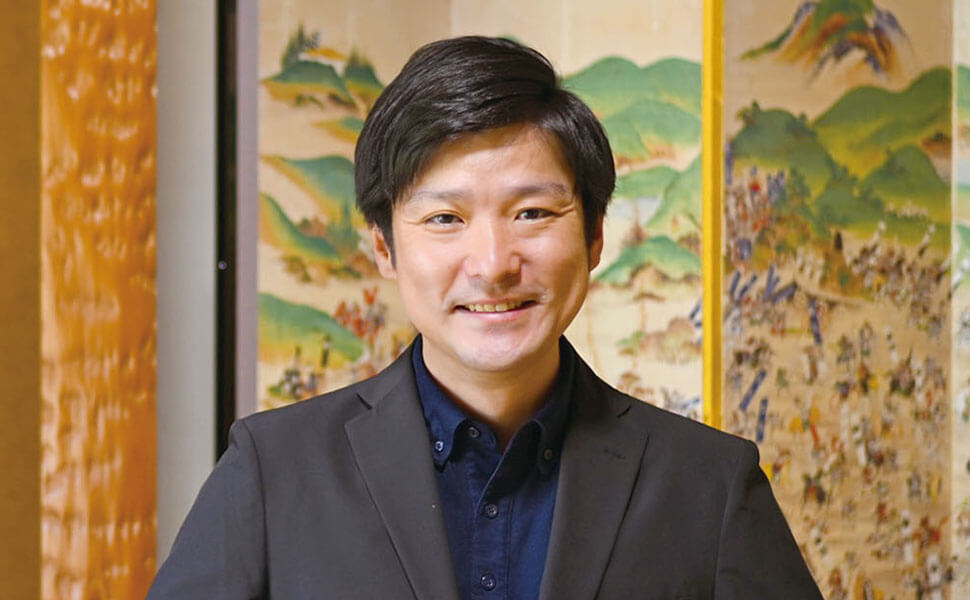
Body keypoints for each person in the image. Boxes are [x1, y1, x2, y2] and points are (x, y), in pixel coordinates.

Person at [148, 36, 822, 599]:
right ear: (383, 247)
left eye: (532, 213)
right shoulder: (272, 472)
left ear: (594, 237)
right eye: (446, 219)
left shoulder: (710, 484)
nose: (494, 263)